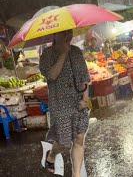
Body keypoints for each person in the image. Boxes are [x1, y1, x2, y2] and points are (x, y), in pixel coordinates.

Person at [39, 30, 90, 177]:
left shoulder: (76, 52)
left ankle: (77, 174)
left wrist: (85, 99)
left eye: (70, 32)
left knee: (79, 139)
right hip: (60, 105)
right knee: (64, 142)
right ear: (54, 35)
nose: (68, 36)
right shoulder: (47, 55)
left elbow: (85, 77)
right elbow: (51, 75)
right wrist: (63, 53)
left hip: (78, 103)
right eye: (64, 33)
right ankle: (52, 155)